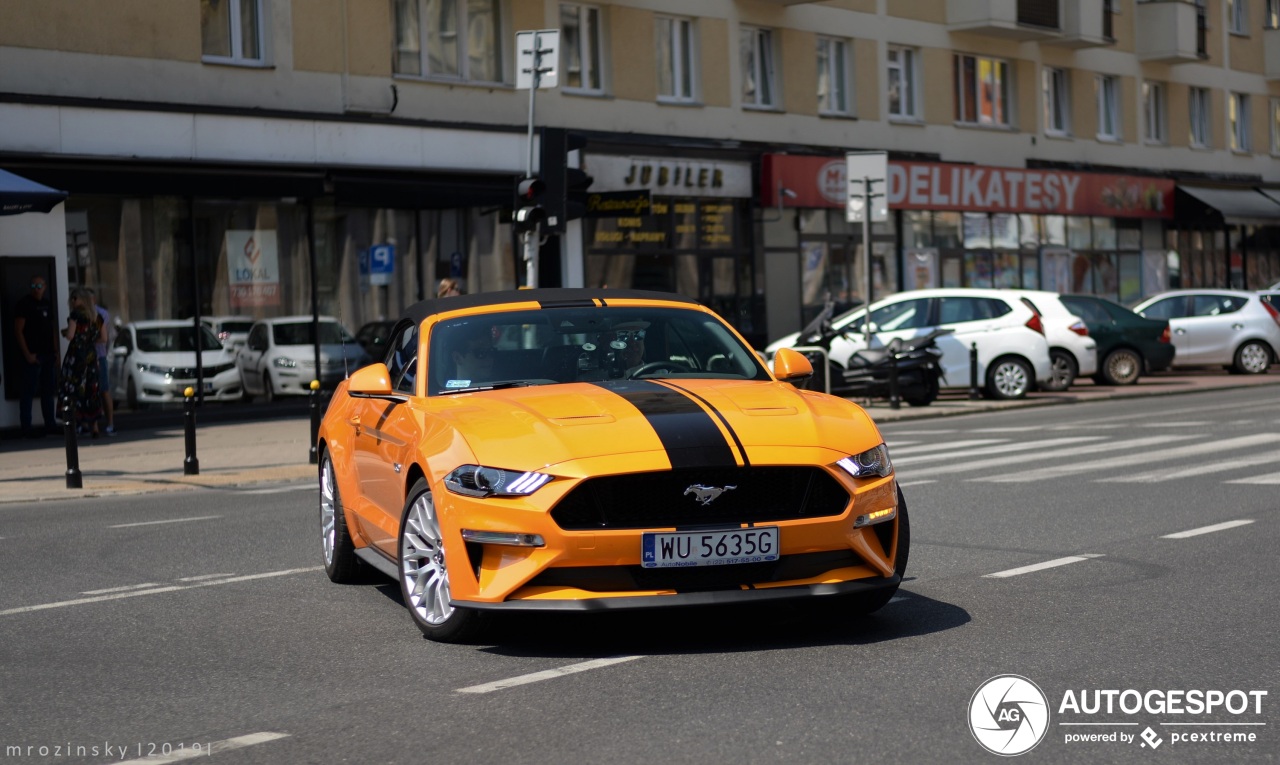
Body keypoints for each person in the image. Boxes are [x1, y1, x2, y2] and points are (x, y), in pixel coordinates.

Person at [13, 276, 59, 438]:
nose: (36, 288)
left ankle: (50, 424)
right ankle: (26, 427)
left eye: (39, 285)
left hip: (48, 354)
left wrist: (56, 352)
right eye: (33, 285)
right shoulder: (24, 304)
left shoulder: (47, 304)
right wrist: (27, 354)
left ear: (45, 287)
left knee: (48, 390)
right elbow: (18, 331)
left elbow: (53, 329)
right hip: (32, 355)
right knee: (28, 391)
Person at [60, 288, 104, 438]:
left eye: (75, 298)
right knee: (92, 389)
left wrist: (66, 332)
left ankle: (78, 424)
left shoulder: (75, 315)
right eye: (72, 298)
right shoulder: (97, 317)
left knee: (73, 388)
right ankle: (95, 426)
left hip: (76, 356)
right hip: (91, 355)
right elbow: (103, 338)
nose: (72, 301)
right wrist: (88, 341)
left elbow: (71, 336)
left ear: (82, 300)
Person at [87, 289, 116, 435]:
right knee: (89, 392)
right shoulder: (79, 313)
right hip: (85, 358)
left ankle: (110, 424)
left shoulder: (100, 314)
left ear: (94, 299)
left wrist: (86, 341)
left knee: (103, 390)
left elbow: (105, 337)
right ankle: (93, 426)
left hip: (99, 356)